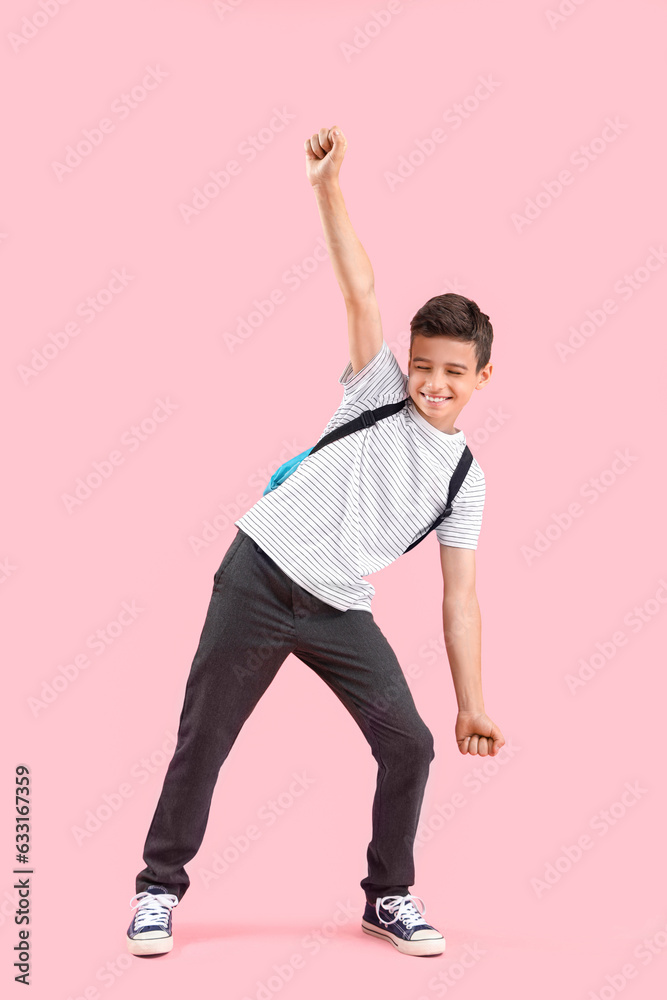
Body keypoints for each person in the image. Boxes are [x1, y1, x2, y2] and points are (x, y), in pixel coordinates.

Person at [126, 125, 505, 959]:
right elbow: (359, 291)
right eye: (423, 366)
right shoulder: (374, 392)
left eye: (452, 371)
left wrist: (471, 700)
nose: (433, 384)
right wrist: (326, 188)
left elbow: (460, 597)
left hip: (337, 607)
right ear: (405, 364)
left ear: (482, 377)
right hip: (258, 576)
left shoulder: (463, 479)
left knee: (408, 741)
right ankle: (157, 890)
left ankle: (388, 895)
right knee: (206, 737)